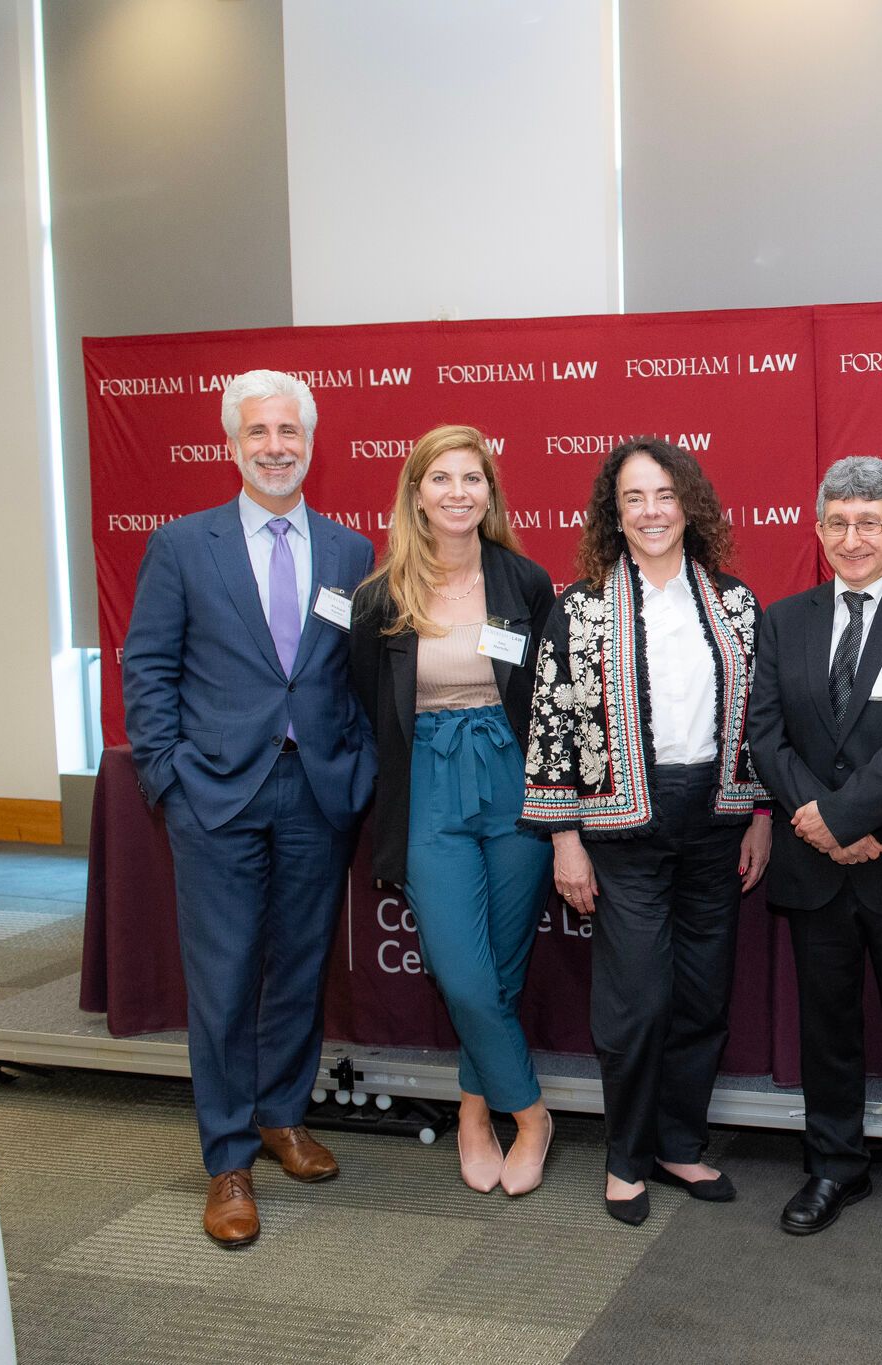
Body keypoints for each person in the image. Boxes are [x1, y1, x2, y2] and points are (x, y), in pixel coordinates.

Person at [122, 369, 375, 1247]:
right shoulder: (182, 545)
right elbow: (147, 667)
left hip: (316, 792)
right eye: (259, 433)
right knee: (225, 980)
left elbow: (357, 676)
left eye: (290, 433)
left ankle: (281, 1114)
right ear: (233, 444)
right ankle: (228, 1157)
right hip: (215, 794)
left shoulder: (348, 550)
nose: (276, 447)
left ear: (311, 443)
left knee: (300, 968)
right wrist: (169, 776)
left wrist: (358, 767)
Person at [522, 438, 773, 1225]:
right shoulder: (580, 605)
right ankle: (625, 1155)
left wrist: (761, 812)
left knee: (702, 993)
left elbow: (762, 716)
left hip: (719, 815)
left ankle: (677, 1141)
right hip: (620, 825)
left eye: (665, 494)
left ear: (688, 503)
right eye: (634, 497)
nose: (652, 510)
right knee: (635, 999)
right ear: (614, 512)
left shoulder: (735, 601)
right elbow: (552, 723)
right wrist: (564, 837)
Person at [745, 456, 882, 1252]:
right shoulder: (783, 619)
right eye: (837, 522)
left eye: (870, 521)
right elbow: (764, 733)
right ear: (817, 530)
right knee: (827, 1028)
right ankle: (834, 1164)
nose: (853, 536)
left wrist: (839, 817)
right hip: (815, 866)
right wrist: (821, 824)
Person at [349, 425, 557, 1195]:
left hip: (515, 782)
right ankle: (530, 1111)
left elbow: (551, 700)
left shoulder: (526, 582)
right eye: (442, 478)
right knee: (464, 975)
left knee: (500, 971)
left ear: (490, 494)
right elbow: (368, 700)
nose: (458, 493)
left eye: (473, 478)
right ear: (416, 493)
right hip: (428, 786)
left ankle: (474, 1110)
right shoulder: (381, 596)